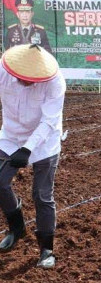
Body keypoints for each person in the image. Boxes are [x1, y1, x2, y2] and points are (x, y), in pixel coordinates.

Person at [0, 44, 66, 268]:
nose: (26, 81)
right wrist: (18, 145)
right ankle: (17, 227)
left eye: (31, 78)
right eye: (22, 77)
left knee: (41, 194)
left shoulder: (55, 82)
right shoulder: (3, 71)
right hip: (10, 137)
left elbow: (49, 120)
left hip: (44, 142)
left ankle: (47, 249)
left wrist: (28, 148)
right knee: (0, 182)